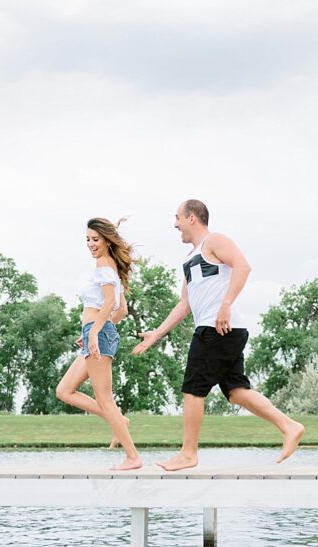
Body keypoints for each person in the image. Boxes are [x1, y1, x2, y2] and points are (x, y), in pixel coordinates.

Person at [132, 200, 304, 471]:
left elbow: (243, 266)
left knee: (192, 389)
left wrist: (224, 305)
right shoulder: (190, 259)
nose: (174, 224)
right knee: (236, 392)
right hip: (222, 329)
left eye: (177, 217)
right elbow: (184, 304)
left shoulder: (215, 241)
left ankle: (189, 454)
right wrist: (157, 333)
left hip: (218, 328)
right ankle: (289, 426)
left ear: (192, 218)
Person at [55, 217, 141, 470]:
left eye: (95, 239)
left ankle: (133, 457)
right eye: (88, 240)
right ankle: (119, 421)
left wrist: (94, 332)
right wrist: (95, 330)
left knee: (105, 399)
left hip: (98, 335)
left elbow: (108, 302)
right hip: (98, 332)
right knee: (64, 390)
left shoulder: (104, 266)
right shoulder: (110, 267)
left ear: (106, 240)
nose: (91, 244)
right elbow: (121, 309)